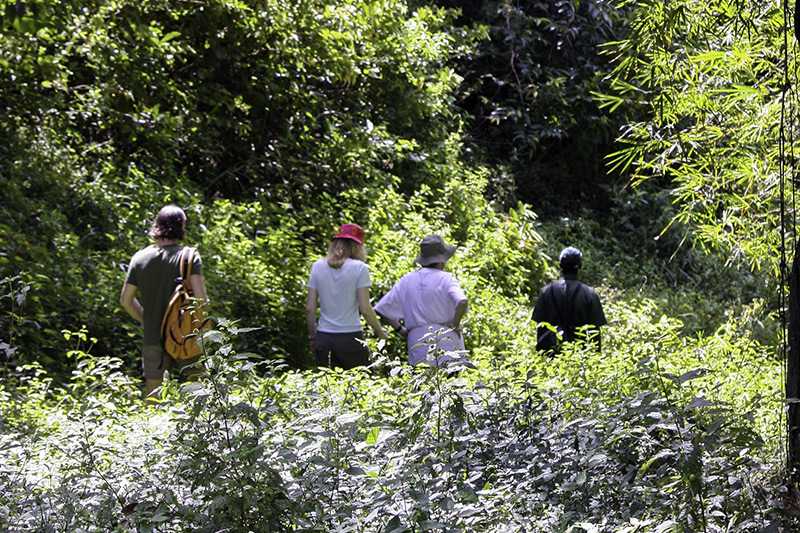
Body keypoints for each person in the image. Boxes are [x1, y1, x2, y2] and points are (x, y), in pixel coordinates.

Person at [120, 205, 209, 401]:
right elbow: (201, 301)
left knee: (153, 398)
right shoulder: (189, 257)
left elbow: (125, 300)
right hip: (186, 336)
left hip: (154, 337)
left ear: (157, 225)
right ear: (182, 226)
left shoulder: (139, 258)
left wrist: (147, 320)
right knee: (202, 394)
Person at [374, 234, 468, 366]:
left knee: (421, 377)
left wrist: (400, 330)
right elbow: (462, 302)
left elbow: (383, 308)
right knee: (450, 377)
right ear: (442, 260)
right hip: (447, 340)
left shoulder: (407, 279)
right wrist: (455, 324)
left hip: (418, 341)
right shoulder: (446, 278)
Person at [306, 223, 390, 369]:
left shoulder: (317, 266)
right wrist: (380, 332)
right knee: (362, 380)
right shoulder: (360, 268)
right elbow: (365, 309)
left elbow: (309, 308)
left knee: (328, 382)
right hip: (351, 338)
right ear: (357, 247)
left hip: (324, 339)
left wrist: (313, 336)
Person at [532, 246, 606, 354]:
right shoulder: (589, 294)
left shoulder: (546, 292)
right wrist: (596, 357)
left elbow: (541, 329)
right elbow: (595, 333)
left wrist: (541, 355)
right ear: (580, 266)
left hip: (552, 354)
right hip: (580, 354)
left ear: (560, 265)